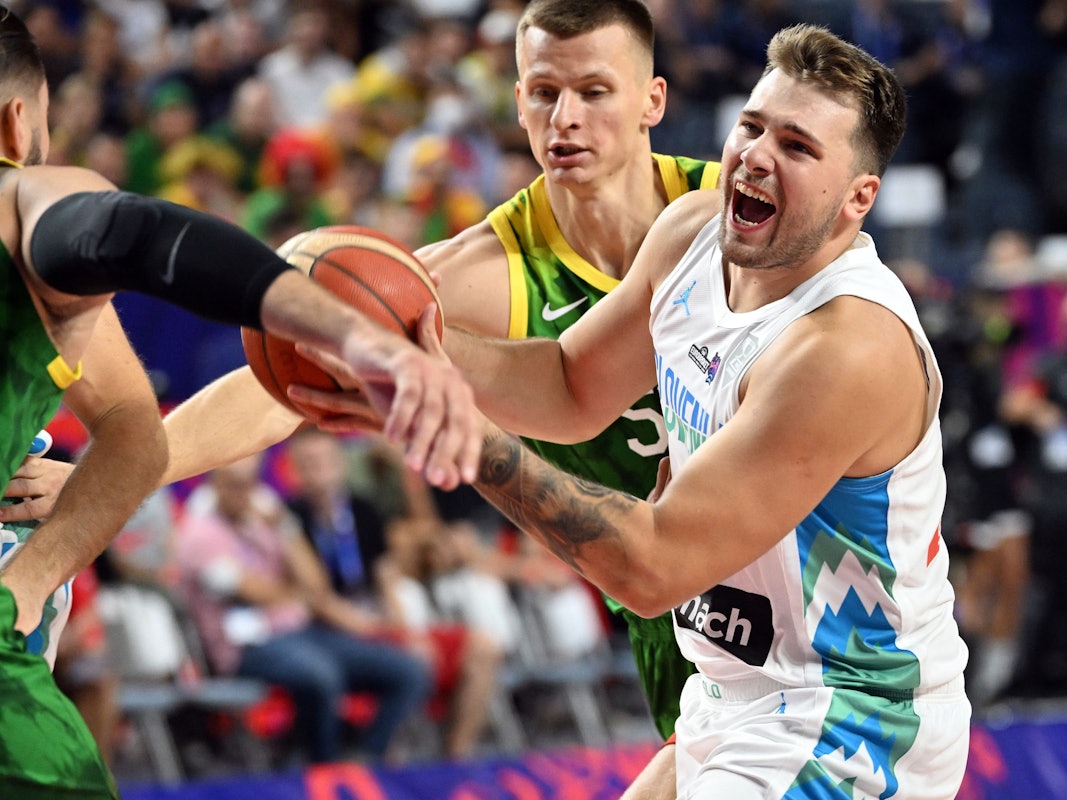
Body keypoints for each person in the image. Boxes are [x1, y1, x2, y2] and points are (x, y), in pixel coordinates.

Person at [7, 1, 719, 793]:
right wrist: (109, 477)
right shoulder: (478, 273)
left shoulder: (743, 215)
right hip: (672, 616)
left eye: (595, 91)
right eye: (544, 92)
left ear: (653, 99)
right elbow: (286, 386)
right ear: (516, 102)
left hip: (810, 574)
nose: (566, 117)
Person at [419, 23, 970, 798]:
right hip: (728, 696)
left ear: (858, 199)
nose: (754, 155)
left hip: (846, 722)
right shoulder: (689, 232)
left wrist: (452, 423)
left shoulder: (845, 347)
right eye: (751, 127)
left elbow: (652, 568)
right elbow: (571, 386)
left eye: (797, 147)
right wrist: (414, 349)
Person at [0, 6, 476, 797]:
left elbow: (133, 432)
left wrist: (38, 571)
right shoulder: (23, 196)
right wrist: (360, 339)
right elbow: (131, 232)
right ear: (20, 123)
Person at [175, 454, 433, 765]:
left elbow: (316, 585)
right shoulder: (199, 534)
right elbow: (257, 593)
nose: (244, 494)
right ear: (214, 485)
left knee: (408, 670)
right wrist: (295, 594)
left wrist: (286, 528)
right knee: (320, 674)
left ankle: (363, 759)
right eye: (234, 485)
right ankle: (323, 767)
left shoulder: (264, 525)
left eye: (250, 484)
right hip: (247, 649)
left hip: (302, 634)